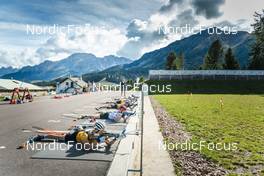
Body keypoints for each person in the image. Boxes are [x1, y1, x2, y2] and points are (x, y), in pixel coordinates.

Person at [17, 121, 117, 150]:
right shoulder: (85, 136)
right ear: (97, 131)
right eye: (101, 131)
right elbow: (87, 146)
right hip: (72, 136)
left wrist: (114, 139)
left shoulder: (100, 133)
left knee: (58, 134)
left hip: (80, 131)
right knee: (55, 137)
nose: (102, 133)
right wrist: (100, 140)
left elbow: (108, 144)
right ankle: (38, 137)